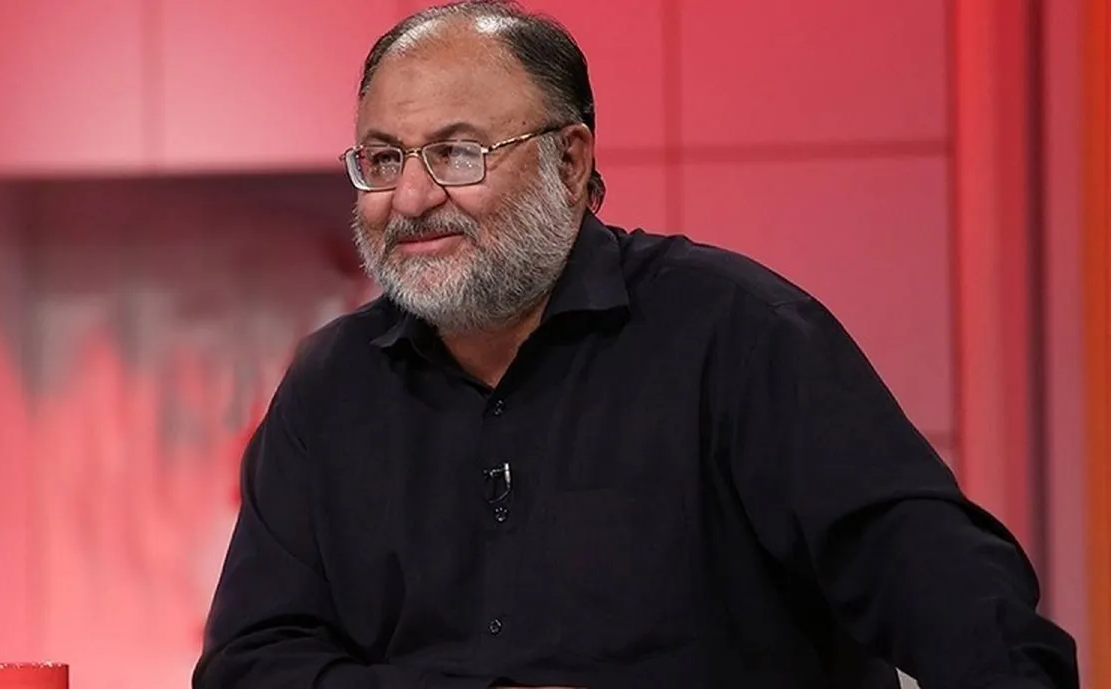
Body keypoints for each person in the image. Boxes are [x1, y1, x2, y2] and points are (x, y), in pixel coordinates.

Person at [191, 2, 1080, 688]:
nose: (413, 198)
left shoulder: (740, 336)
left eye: (458, 154)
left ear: (571, 161)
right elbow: (250, 663)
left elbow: (952, 594)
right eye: (383, 160)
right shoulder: (329, 388)